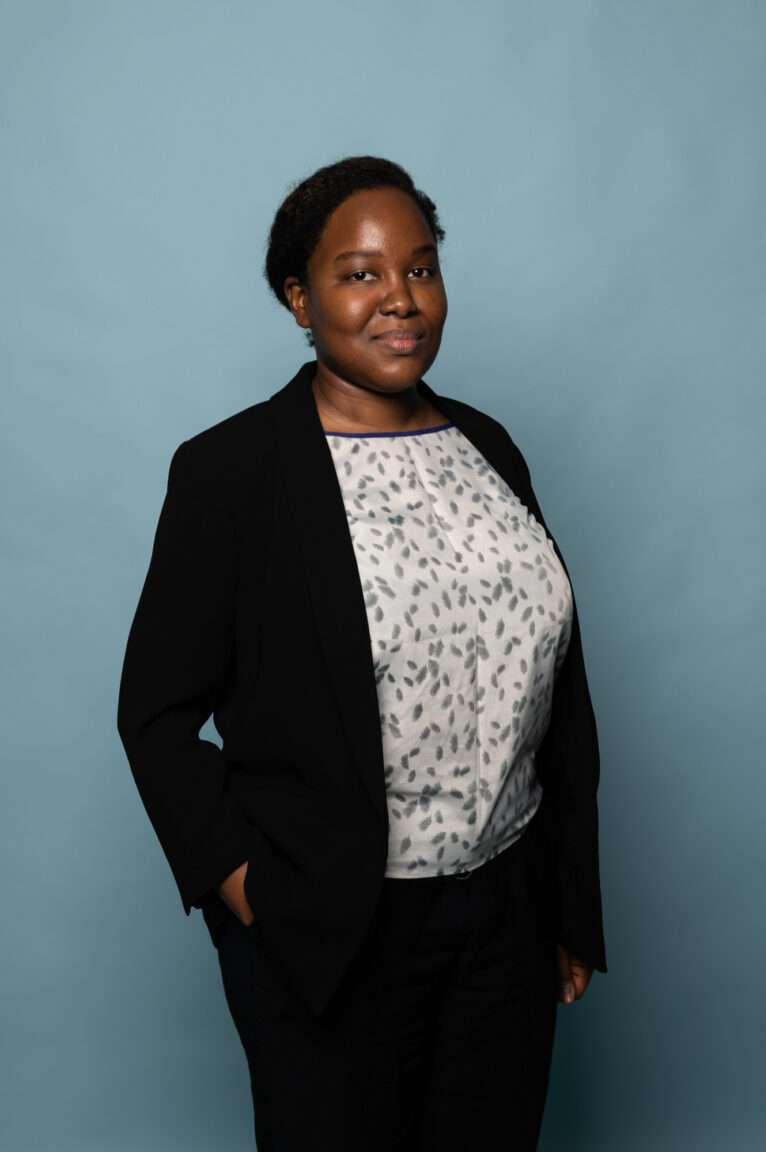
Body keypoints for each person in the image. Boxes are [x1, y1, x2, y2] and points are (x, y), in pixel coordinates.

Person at [118, 155, 606, 1152]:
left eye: (421, 269)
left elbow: (558, 683)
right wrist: (251, 894)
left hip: (506, 918)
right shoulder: (233, 473)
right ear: (299, 298)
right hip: (334, 927)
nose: (400, 299)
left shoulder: (488, 447)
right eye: (360, 274)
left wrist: (566, 903)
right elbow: (156, 715)